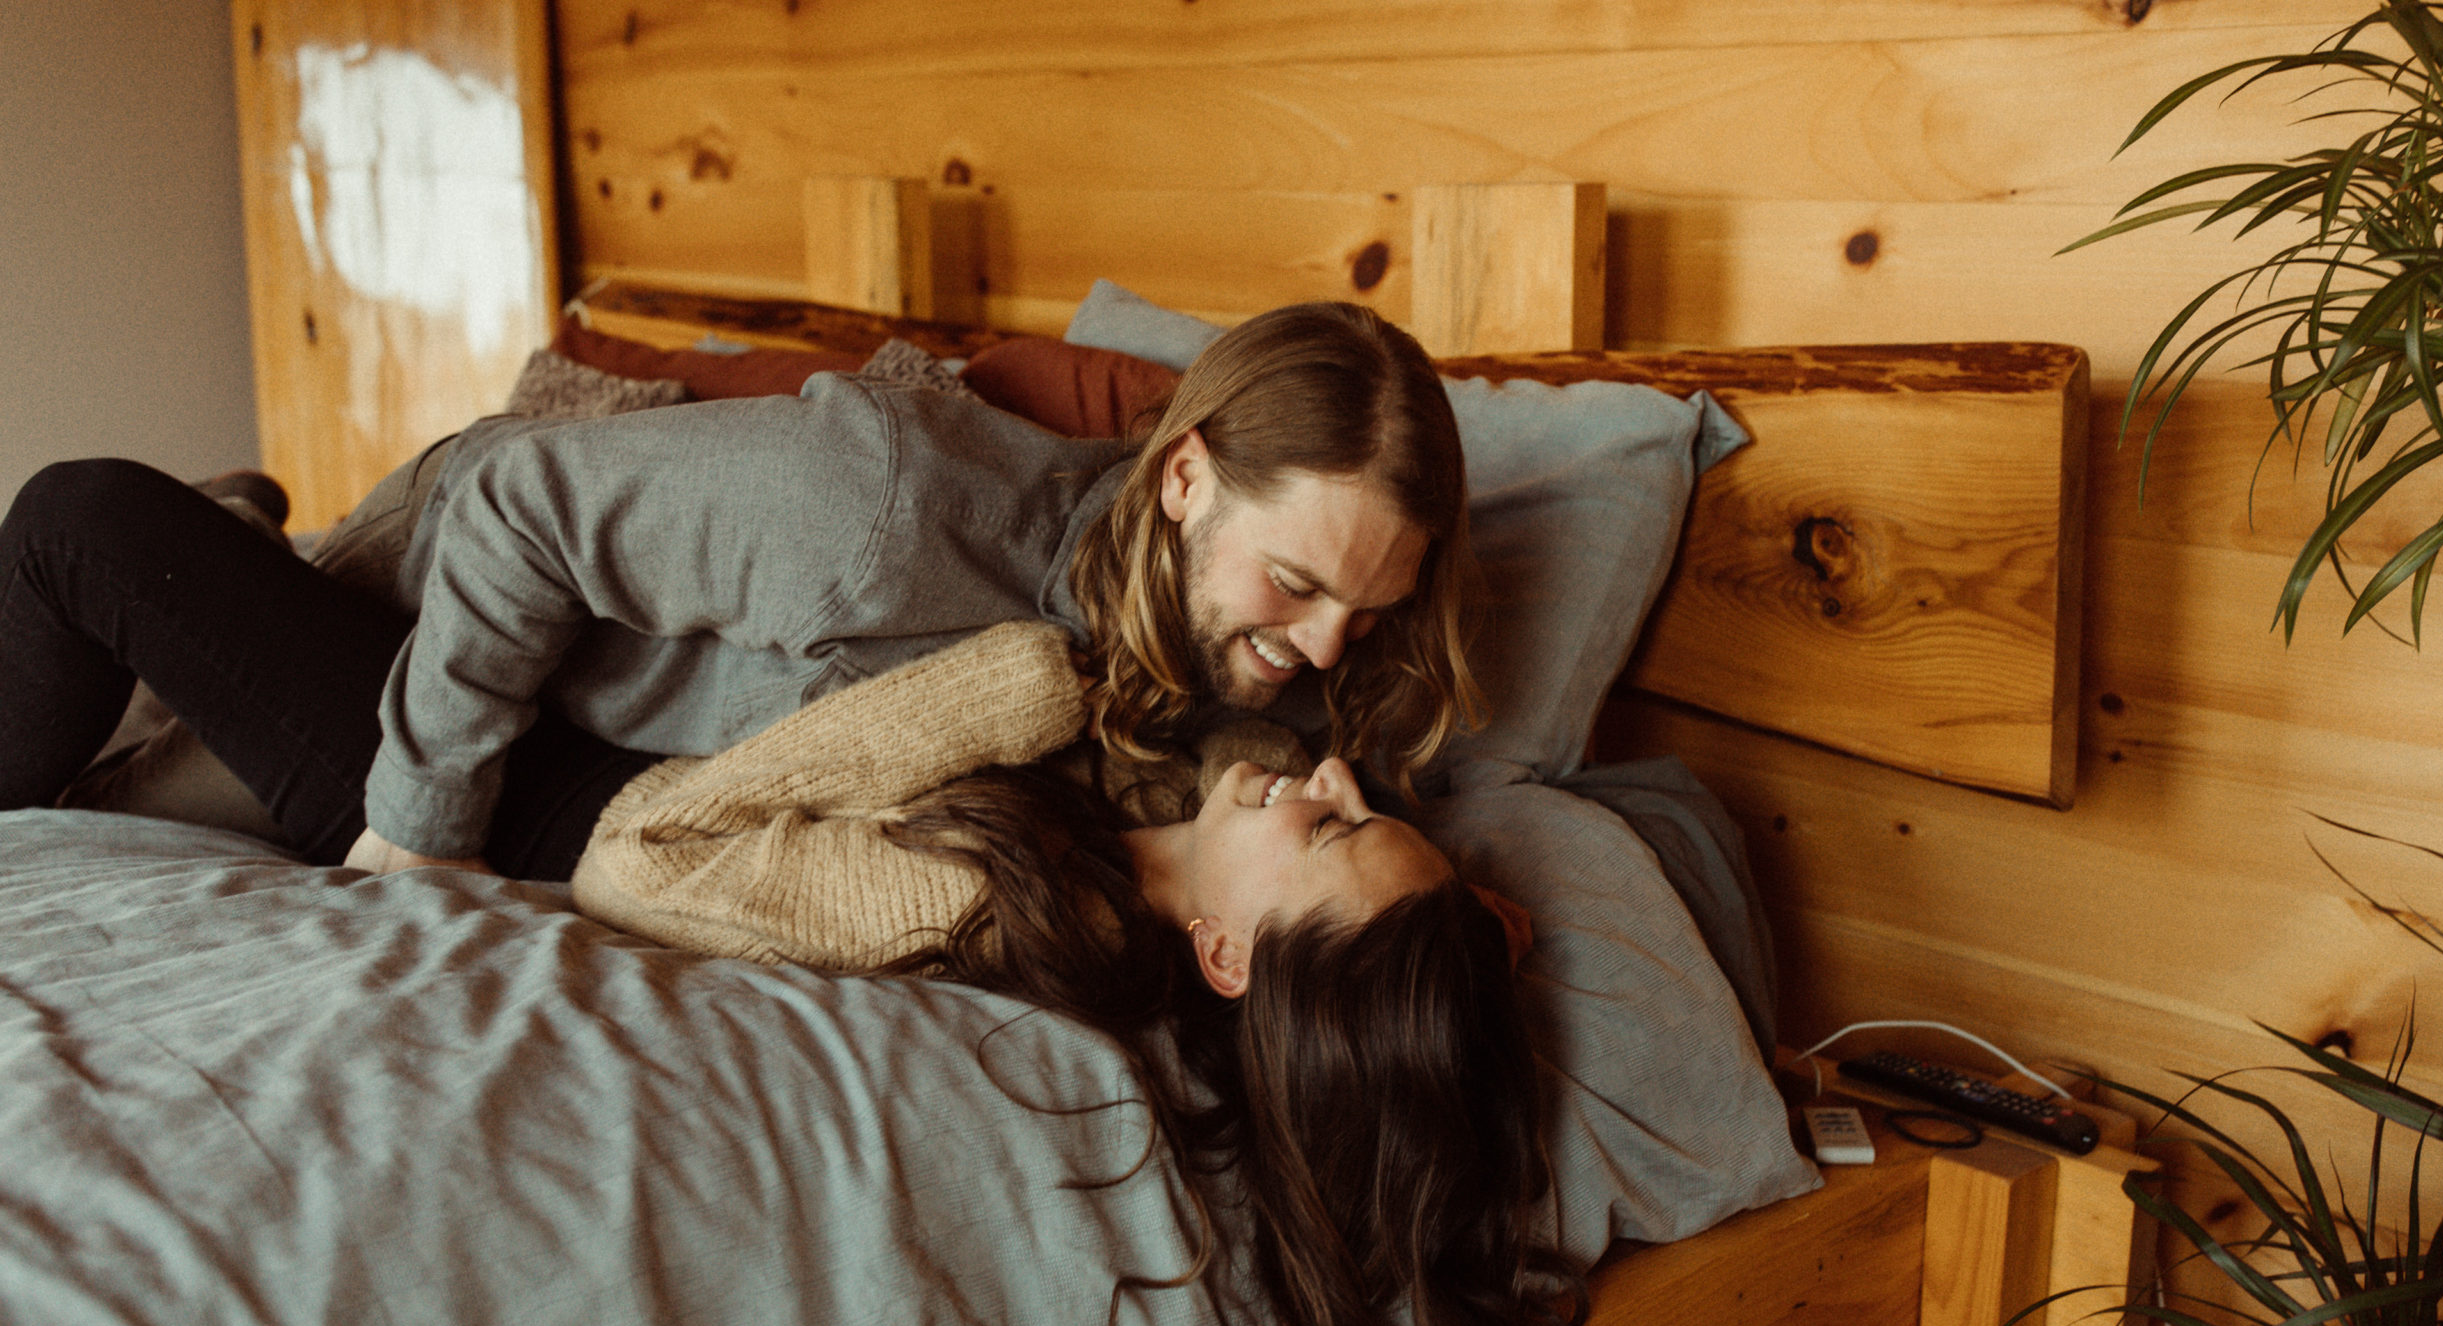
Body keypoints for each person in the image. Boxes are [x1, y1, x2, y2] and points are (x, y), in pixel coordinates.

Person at [564, 618, 1578, 1326]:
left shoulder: (981, 902)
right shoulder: (1194, 821)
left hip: (572, 765)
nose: (1335, 772)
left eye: (1333, 825)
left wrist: (1009, 690)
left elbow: (634, 856)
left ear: (1226, 955)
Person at [0, 300, 1475, 882]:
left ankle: (240, 535)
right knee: (78, 534)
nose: (1325, 644)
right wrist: (414, 841)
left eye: (1373, 607)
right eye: (1295, 585)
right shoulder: (883, 503)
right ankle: (244, 546)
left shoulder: (1277, 659)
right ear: (1182, 479)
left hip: (621, 771)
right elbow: (528, 509)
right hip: (465, 614)